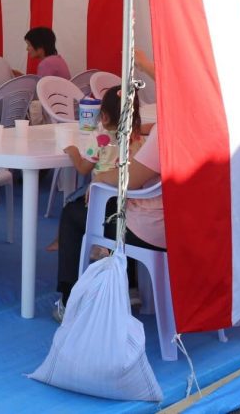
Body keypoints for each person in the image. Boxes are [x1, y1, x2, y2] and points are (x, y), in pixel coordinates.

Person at [53, 89, 161, 321]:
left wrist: (95, 174)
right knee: (115, 211)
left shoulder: (101, 140)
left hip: (126, 213)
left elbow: (96, 171)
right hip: (144, 206)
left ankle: (68, 298)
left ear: (103, 116)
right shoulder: (141, 140)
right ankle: (130, 285)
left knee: (71, 212)